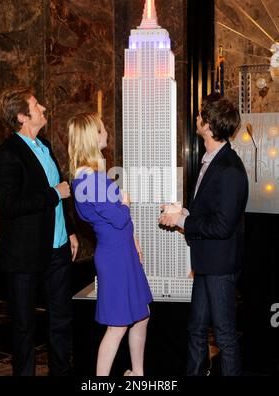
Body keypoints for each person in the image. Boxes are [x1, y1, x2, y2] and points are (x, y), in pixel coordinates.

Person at [0, 87, 79, 376]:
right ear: (22, 116)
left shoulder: (46, 146)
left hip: (58, 248)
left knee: (61, 319)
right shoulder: (6, 154)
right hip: (24, 256)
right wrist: (53, 193)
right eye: (36, 104)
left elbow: (63, 191)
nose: (43, 107)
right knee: (24, 326)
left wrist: (72, 231)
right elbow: (10, 205)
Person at [159, 94, 248, 376]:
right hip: (205, 264)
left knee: (224, 337)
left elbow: (222, 226)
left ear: (208, 124)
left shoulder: (230, 168)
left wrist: (183, 222)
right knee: (195, 330)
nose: (197, 117)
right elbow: (209, 214)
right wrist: (183, 213)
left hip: (219, 267)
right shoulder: (210, 160)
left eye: (201, 114)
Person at [68, 112, 152, 376]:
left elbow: (118, 222)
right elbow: (119, 217)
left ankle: (137, 373)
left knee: (141, 314)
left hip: (122, 250)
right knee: (118, 325)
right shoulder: (89, 180)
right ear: (93, 137)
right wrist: (125, 201)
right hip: (115, 256)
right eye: (102, 129)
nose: (106, 132)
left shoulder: (90, 177)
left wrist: (133, 239)